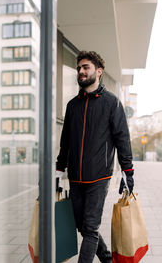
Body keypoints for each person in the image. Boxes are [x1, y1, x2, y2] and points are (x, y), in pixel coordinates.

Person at [56, 51, 134, 263]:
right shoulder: (72, 105)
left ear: (98, 72)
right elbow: (66, 142)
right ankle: (107, 259)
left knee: (90, 228)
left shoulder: (111, 102)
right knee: (82, 225)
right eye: (79, 68)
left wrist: (128, 172)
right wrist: (58, 170)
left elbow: (122, 139)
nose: (81, 71)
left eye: (86, 67)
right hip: (76, 178)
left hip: (99, 177)